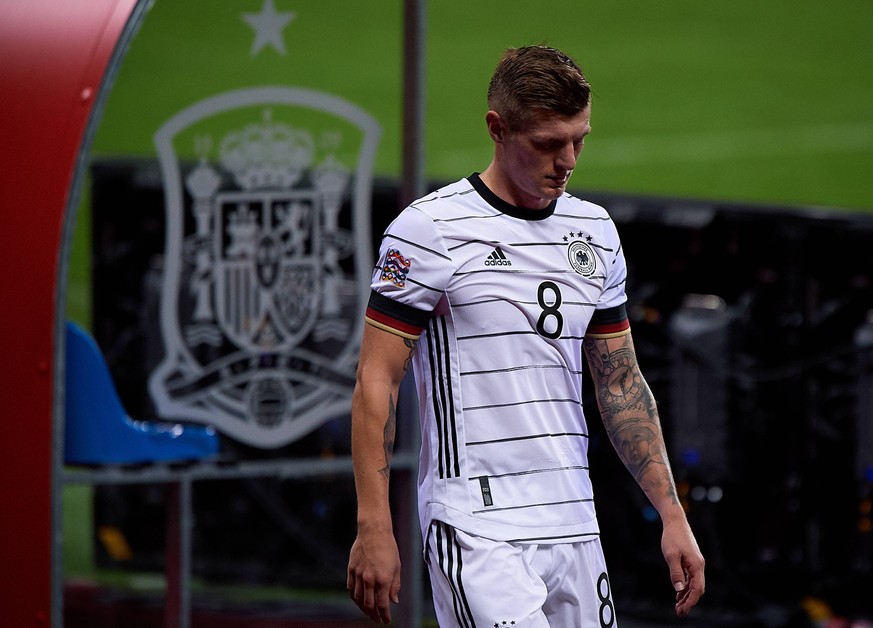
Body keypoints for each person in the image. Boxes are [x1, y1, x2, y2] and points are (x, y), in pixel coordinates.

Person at [347, 44, 705, 626]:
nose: (567, 160)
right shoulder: (427, 231)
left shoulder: (595, 231)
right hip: (477, 527)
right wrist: (374, 525)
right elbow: (375, 380)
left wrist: (671, 513)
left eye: (579, 139)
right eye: (547, 143)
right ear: (497, 128)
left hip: (574, 523)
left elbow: (620, 385)